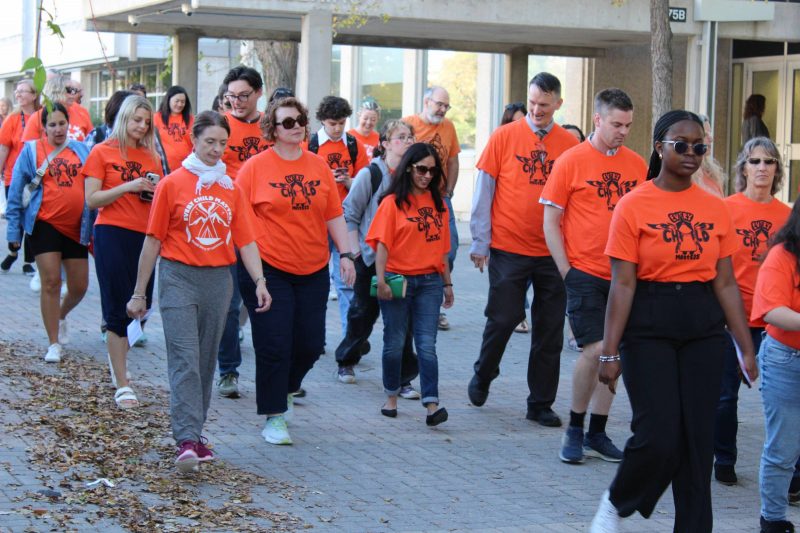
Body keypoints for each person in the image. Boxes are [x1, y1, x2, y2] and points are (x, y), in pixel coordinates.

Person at [589, 110, 757, 533]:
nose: (690, 153)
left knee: (698, 446)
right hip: (648, 326)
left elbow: (726, 284)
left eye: (699, 146)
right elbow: (622, 286)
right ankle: (617, 500)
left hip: (702, 326)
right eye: (680, 144)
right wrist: (609, 351)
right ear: (659, 147)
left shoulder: (715, 207)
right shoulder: (633, 204)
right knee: (659, 435)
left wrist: (745, 347)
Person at [126, 111, 270, 473]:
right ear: (194, 140)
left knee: (206, 361)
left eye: (223, 143)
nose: (216, 150)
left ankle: (195, 434)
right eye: (210, 142)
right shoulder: (172, 184)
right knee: (185, 358)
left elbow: (246, 240)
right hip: (177, 276)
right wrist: (139, 293)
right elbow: (152, 241)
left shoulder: (230, 188)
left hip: (219, 280)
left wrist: (260, 281)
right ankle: (186, 438)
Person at [235, 96, 355, 445]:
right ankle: (274, 416)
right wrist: (253, 270)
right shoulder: (255, 168)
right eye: (288, 122)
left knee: (311, 344)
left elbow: (334, 213)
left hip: (313, 266)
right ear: (272, 129)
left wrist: (346, 255)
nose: (297, 126)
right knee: (274, 342)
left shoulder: (318, 166)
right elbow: (239, 219)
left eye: (300, 120)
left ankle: (287, 388)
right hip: (268, 267)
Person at [541, 88, 647, 465]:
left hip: (625, 275)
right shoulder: (570, 161)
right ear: (597, 119)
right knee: (595, 350)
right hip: (583, 271)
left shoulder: (637, 165)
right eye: (616, 124)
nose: (622, 131)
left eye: (628, 125)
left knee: (614, 351)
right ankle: (574, 426)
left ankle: (597, 432)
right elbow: (550, 220)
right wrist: (567, 270)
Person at [468, 73, 579, 426]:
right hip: (508, 246)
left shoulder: (569, 145)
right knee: (502, 318)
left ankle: (540, 402)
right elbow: (483, 191)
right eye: (532, 102)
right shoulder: (504, 137)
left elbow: (577, 202)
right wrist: (480, 241)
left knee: (549, 331)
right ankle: (484, 372)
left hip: (553, 253)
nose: (536, 109)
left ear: (558, 104)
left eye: (544, 104)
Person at [714, 137, 790, 486]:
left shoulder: (788, 217)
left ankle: (788, 472)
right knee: (725, 396)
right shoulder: (726, 209)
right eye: (755, 161)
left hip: (776, 321)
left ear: (777, 171)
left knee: (783, 399)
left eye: (769, 162)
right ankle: (723, 459)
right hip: (733, 317)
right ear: (743, 167)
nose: (762, 168)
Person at [83, 95, 163, 409]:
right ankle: (122, 382)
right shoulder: (101, 151)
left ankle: (118, 363)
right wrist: (128, 186)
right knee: (118, 307)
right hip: (112, 232)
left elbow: (156, 199)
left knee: (140, 306)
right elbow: (92, 200)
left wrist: (152, 190)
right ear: (125, 118)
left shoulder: (152, 156)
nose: (142, 127)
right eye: (137, 120)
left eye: (147, 122)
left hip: (145, 237)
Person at [367, 142, 453, 425]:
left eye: (432, 170)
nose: (427, 175)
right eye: (421, 169)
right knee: (394, 342)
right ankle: (391, 395)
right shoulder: (392, 203)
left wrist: (447, 284)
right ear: (409, 168)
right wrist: (380, 280)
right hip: (396, 279)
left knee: (427, 344)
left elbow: (442, 249)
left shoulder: (439, 203)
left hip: (429, 282)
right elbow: (382, 245)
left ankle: (431, 404)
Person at [335, 119, 420, 397]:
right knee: (363, 314)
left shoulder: (414, 175)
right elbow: (350, 213)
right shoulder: (370, 175)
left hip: (402, 261)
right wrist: (354, 253)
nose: (407, 141)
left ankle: (404, 378)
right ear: (384, 143)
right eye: (400, 137)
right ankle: (346, 359)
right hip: (370, 259)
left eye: (410, 137)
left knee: (402, 323)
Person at [5, 103, 91, 362]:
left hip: (77, 227)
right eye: (52, 125)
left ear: (68, 123)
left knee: (79, 286)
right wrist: (12, 233)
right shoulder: (32, 151)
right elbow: (15, 194)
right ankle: (53, 343)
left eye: (62, 124)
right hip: (44, 225)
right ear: (43, 128)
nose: (58, 129)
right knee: (51, 282)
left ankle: (61, 315)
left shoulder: (82, 150)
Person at [215, 66, 269, 399]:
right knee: (230, 304)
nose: (236, 102)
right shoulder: (221, 124)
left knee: (265, 303)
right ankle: (228, 372)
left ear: (259, 93)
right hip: (230, 226)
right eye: (231, 96)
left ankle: (280, 375)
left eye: (243, 96)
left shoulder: (271, 126)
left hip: (268, 226)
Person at [751, 200, 800, 533]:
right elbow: (771, 310)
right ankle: (772, 520)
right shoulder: (782, 255)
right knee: (783, 449)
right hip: (786, 359)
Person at [307, 95, 369, 336]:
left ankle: (347, 343)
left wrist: (348, 180)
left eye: (342, 123)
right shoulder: (310, 144)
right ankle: (314, 336)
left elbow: (365, 183)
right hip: (317, 222)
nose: (337, 128)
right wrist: (326, 181)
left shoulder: (354, 145)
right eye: (333, 123)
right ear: (323, 121)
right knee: (316, 283)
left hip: (345, 220)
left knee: (346, 282)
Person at [403, 86, 461, 331]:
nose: (443, 109)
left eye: (446, 106)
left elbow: (453, 159)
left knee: (450, 247)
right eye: (439, 104)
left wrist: (448, 190)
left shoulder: (448, 127)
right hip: (413, 197)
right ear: (426, 101)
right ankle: (411, 303)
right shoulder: (408, 124)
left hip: (439, 198)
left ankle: (433, 303)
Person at [0, 79, 40, 275]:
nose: (18, 94)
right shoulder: (12, 119)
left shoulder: (42, 117)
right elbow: (4, 147)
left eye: (23, 91)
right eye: (17, 91)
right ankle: (13, 251)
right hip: (13, 176)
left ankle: (28, 261)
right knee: (15, 214)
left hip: (36, 177)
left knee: (32, 216)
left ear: (34, 95)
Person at [22, 76, 92, 143]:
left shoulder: (81, 112)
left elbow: (91, 141)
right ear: (56, 92)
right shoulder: (37, 117)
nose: (72, 95)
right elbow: (29, 149)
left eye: (74, 91)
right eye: (69, 90)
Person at [154, 85, 194, 174]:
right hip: (164, 168)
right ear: (169, 100)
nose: (180, 104)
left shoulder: (191, 120)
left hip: (187, 167)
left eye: (183, 102)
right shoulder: (156, 118)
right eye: (177, 101)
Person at [692, 113, 725, 197]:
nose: (711, 139)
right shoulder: (687, 173)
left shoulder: (713, 172)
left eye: (710, 134)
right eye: (705, 135)